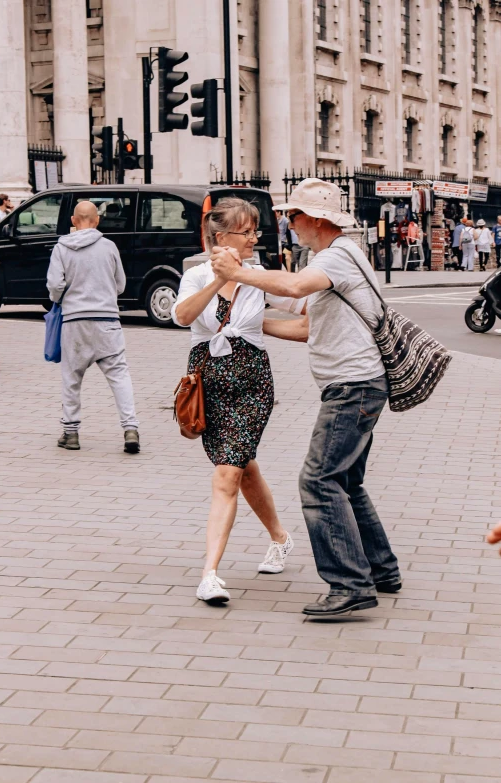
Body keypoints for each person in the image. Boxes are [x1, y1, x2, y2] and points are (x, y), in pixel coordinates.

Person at [210, 179, 401, 618]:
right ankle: (381, 570)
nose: (288, 224)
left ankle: (349, 585)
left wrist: (237, 273)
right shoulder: (333, 260)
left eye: (292, 216)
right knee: (346, 480)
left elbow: (295, 289)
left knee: (317, 481)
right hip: (359, 385)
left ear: (315, 218)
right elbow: (305, 322)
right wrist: (246, 324)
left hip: (353, 388)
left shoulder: (337, 257)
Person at [172, 197, 303, 604]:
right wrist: (218, 278)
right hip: (208, 383)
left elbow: (306, 305)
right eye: (245, 231)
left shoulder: (260, 275)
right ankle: (280, 538)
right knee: (243, 469)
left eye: (254, 230)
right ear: (220, 236)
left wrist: (260, 314)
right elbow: (182, 316)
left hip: (251, 384)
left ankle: (209, 574)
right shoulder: (195, 276)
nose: (253, 237)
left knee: (227, 474)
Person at [46, 201, 140, 454]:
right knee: (119, 376)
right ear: (97, 221)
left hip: (74, 322)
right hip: (107, 320)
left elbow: (55, 285)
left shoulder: (61, 248)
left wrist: (62, 298)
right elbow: (120, 285)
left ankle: (71, 433)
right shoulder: (109, 247)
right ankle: (130, 429)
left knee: (71, 378)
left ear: (74, 221)